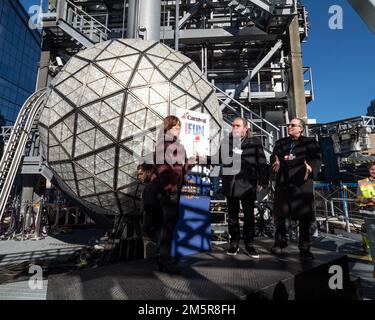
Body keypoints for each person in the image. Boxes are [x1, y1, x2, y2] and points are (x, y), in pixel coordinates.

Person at [208, 117, 269, 257]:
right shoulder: (226, 142)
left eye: (237, 126)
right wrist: (201, 157)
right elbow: (217, 158)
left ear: (245, 128)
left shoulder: (254, 142)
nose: (234, 128)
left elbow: (262, 163)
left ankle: (249, 244)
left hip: (248, 185)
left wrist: (263, 182)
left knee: (248, 216)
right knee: (232, 216)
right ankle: (234, 243)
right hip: (231, 184)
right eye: (233, 125)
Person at [148, 115, 196, 274]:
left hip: (173, 189)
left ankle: (163, 258)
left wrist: (191, 163)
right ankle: (163, 261)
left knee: (168, 225)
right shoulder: (163, 145)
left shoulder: (176, 145)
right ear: (167, 127)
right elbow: (163, 170)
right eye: (175, 126)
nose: (178, 129)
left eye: (179, 126)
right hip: (165, 190)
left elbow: (179, 169)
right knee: (167, 226)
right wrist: (172, 191)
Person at [271, 118, 321, 260]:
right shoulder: (280, 143)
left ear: (301, 128)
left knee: (304, 218)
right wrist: (275, 163)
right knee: (280, 215)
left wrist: (311, 167)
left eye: (293, 125)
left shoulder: (310, 142)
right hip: (284, 182)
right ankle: (280, 242)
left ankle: (304, 248)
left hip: (302, 182)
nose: (289, 126)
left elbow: (316, 159)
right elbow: (273, 158)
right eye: (289, 125)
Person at [356, 162, 375, 278]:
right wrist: (369, 199)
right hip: (370, 217)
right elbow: (358, 200)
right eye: (372, 169)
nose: (374, 171)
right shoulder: (362, 183)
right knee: (373, 244)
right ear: (369, 170)